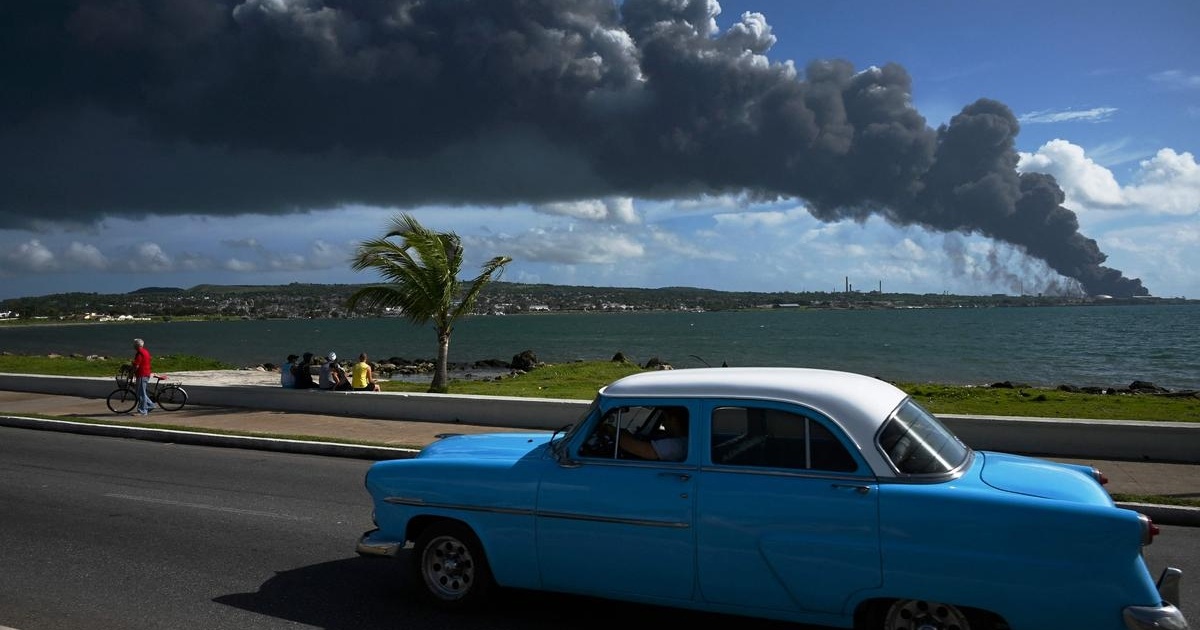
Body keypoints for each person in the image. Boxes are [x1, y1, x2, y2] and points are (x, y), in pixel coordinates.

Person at [610, 406, 689, 461]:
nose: (663, 424)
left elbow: (646, 451)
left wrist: (614, 433)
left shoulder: (678, 444)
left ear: (674, 421)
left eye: (665, 419)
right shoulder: (680, 440)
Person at [131, 338, 154, 415]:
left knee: (141, 393)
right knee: (141, 392)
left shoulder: (139, 353)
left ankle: (143, 411)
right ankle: (150, 405)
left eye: (134, 344)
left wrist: (132, 372)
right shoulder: (145, 351)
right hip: (146, 373)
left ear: (136, 345)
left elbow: (137, 365)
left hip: (142, 374)